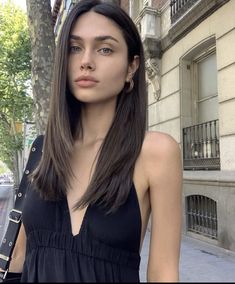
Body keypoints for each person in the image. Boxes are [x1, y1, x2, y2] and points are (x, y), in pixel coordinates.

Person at [1, 0, 182, 282]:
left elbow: (164, 273)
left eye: (105, 49)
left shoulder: (155, 152)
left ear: (131, 67)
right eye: (75, 48)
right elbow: (19, 259)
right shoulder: (43, 150)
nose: (86, 60)